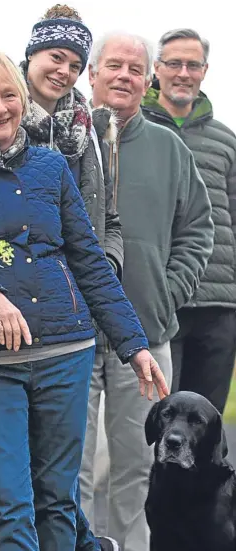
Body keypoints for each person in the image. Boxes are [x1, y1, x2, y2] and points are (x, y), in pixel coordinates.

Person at [0, 50, 168, 551]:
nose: (0, 108)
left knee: (56, 503)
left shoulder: (50, 167)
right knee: (10, 505)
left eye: (9, 95)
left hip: (67, 352)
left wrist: (134, 345)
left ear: (23, 99)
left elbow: (88, 258)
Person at [79, 31, 214, 551]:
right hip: (74, 335)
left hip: (147, 337)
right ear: (93, 74)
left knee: (140, 466)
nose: (124, 77)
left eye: (136, 69)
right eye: (114, 66)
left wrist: (168, 293)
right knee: (75, 465)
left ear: (148, 79)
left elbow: (199, 230)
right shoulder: (66, 141)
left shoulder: (169, 148)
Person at [20, 5, 123, 551]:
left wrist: (100, 279)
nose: (63, 70)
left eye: (75, 62)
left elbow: (108, 222)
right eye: (55, 56)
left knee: (58, 466)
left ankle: (83, 549)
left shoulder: (92, 129)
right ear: (33, 53)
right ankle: (90, 550)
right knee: (23, 470)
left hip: (71, 318)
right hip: (5, 313)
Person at [142, 28, 236, 414]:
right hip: (162, 300)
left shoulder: (226, 140)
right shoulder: (134, 131)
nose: (183, 72)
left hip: (219, 305)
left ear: (204, 70)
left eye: (192, 64)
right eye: (174, 63)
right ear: (157, 69)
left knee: (207, 423)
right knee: (160, 420)